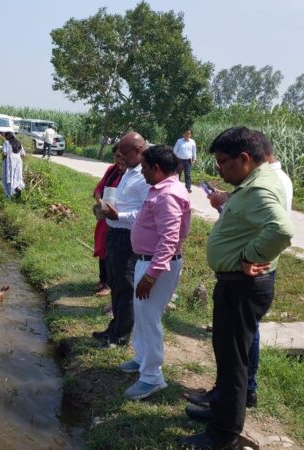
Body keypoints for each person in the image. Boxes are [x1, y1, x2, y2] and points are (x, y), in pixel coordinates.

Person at [181, 127, 293, 449]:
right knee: (231, 358)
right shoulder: (254, 183)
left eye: (222, 162)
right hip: (238, 284)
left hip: (242, 286)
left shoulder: (259, 188)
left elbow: (282, 230)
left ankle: (222, 436)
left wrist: (249, 255)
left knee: (233, 363)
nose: (219, 169)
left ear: (244, 159)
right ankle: (222, 413)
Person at [119, 144, 190, 400]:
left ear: (157, 168)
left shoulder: (168, 194)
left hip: (156, 265)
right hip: (147, 261)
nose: (143, 172)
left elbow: (169, 240)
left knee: (149, 317)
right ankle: (142, 358)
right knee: (142, 313)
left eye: (146, 167)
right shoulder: (161, 189)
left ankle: (152, 378)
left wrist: (151, 275)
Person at [92, 132, 151, 348]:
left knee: (125, 287)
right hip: (114, 233)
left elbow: (146, 212)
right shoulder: (129, 171)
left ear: (138, 150)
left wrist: (120, 216)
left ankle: (121, 336)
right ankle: (114, 327)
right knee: (116, 284)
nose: (120, 158)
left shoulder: (145, 176)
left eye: (123, 153)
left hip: (128, 237)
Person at [92, 147, 125, 297]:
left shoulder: (131, 174)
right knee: (102, 247)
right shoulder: (112, 170)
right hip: (106, 215)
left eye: (121, 156)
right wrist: (100, 201)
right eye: (116, 156)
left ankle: (110, 284)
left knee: (112, 251)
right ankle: (103, 279)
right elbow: (98, 189)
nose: (119, 160)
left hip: (119, 217)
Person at [0, 132, 25, 198]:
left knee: (8, 177)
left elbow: (4, 154)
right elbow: (23, 154)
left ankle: (9, 195)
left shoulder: (6, 142)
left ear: (7, 137)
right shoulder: (18, 142)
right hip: (18, 162)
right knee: (17, 176)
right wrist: (18, 159)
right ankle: (17, 190)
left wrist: (2, 161)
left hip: (9, 161)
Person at [173, 129, 197, 193]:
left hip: (188, 161)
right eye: (186, 133)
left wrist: (194, 159)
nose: (187, 135)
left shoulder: (192, 142)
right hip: (179, 160)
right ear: (184, 134)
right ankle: (175, 187)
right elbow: (175, 150)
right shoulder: (179, 141)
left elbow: (194, 151)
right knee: (178, 174)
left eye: (188, 133)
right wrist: (174, 158)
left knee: (187, 174)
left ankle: (188, 187)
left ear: (190, 135)